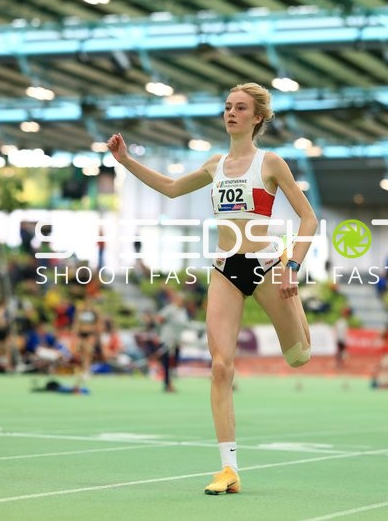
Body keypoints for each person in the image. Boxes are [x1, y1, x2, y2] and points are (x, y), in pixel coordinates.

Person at [107, 82, 316, 495]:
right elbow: (169, 188)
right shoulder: (215, 165)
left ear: (257, 118)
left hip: (270, 264)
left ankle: (298, 317)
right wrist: (126, 160)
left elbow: (308, 220)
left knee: (298, 357)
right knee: (220, 367)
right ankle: (228, 469)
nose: (231, 113)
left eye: (240, 108)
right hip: (225, 268)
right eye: (227, 107)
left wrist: (292, 266)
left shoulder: (271, 163)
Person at [156, 289, 189, 392]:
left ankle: (171, 381)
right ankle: (167, 384)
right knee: (167, 362)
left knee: (174, 362)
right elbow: (159, 319)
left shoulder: (183, 311)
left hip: (176, 340)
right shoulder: (170, 309)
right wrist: (160, 332)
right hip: (167, 340)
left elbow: (184, 324)